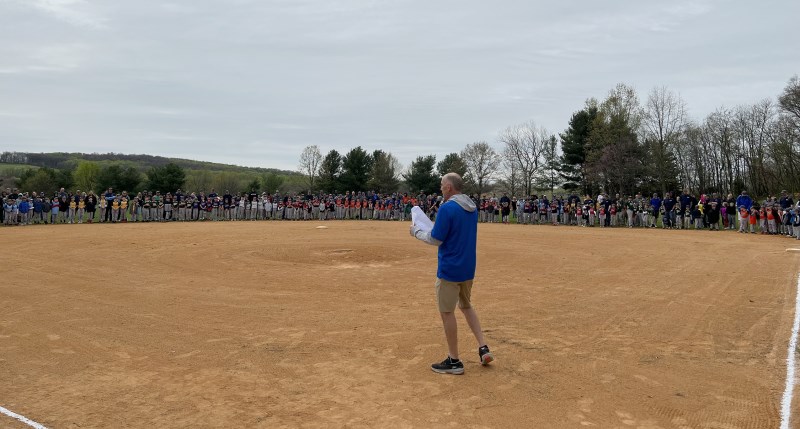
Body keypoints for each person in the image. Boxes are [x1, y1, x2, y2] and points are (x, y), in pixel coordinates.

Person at [409, 172, 493, 375]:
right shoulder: (471, 207)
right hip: (467, 266)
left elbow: (436, 239)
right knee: (466, 305)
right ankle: (483, 347)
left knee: (447, 312)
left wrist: (416, 232)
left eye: (442, 185)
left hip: (450, 268)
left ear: (449, 187)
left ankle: (454, 361)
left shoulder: (447, 208)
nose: (440, 188)